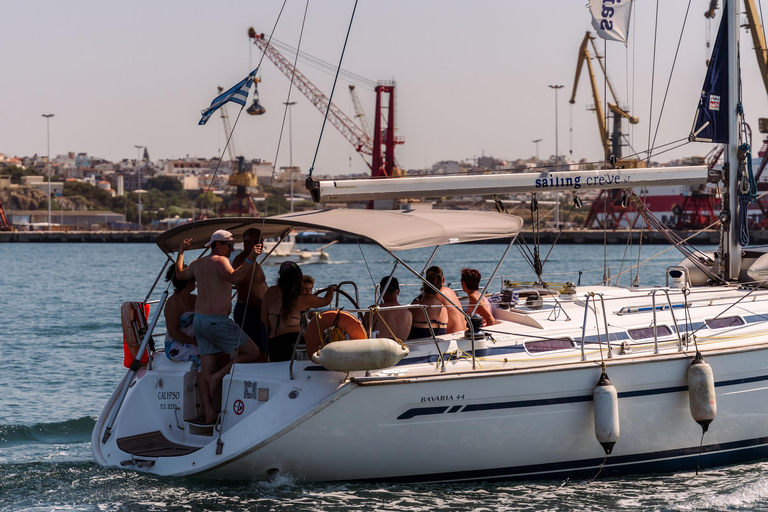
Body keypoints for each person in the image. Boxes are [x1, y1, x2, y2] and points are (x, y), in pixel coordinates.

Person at [176, 229, 262, 424]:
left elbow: (180, 275)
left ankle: (209, 412)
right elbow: (235, 278)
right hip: (217, 321)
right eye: (230, 245)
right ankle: (218, 378)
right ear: (218, 245)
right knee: (252, 352)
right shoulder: (220, 261)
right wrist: (250, 257)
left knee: (206, 365)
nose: (232, 250)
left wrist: (181, 252)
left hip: (200, 321)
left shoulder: (198, 263)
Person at [261, 261, 336, 362]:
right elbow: (326, 300)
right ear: (298, 278)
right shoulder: (302, 298)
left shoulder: (270, 291)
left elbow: (264, 319)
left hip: (274, 343)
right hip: (294, 344)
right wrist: (331, 289)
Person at [232, 228, 268, 360]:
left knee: (264, 351)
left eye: (261, 241)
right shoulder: (242, 261)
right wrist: (266, 307)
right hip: (250, 311)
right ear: (246, 243)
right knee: (258, 353)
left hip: (259, 310)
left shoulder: (254, 261)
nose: (260, 244)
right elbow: (244, 293)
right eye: (256, 242)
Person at [163, 266, 199, 365]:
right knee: (205, 356)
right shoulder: (173, 302)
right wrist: (195, 342)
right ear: (189, 281)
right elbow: (173, 332)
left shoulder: (195, 299)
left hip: (194, 341)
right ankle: (206, 380)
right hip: (175, 345)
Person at [363, 276, 412, 341]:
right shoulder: (408, 313)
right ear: (398, 291)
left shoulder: (373, 311)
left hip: (380, 349)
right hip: (403, 349)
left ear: (380, 291)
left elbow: (362, 332)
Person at [425, 266, 465, 333]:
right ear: (443, 279)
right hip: (464, 331)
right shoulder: (451, 291)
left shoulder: (436, 294)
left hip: (453, 335)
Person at [409, 272, 449, 339]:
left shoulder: (416, 306)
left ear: (424, 286)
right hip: (440, 344)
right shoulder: (444, 308)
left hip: (420, 344)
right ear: (439, 289)